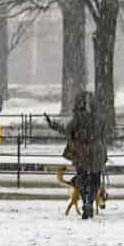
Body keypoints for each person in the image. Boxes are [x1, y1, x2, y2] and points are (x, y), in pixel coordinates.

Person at [45, 91, 108, 219]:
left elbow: (67, 131)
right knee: (95, 179)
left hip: (81, 152)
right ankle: (90, 202)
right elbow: (103, 136)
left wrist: (53, 125)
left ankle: (85, 201)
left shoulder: (77, 119)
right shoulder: (100, 119)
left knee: (82, 178)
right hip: (97, 151)